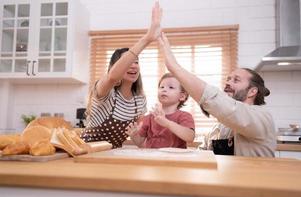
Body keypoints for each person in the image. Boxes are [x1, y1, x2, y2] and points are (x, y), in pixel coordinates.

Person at [158, 33, 276, 157]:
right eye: (228, 79)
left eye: (236, 80)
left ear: (252, 91)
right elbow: (202, 153)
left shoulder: (261, 117)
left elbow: (224, 106)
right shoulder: (220, 128)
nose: (228, 83)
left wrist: (174, 67)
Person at [81, 2, 162, 148]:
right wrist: (147, 38)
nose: (133, 65)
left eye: (136, 62)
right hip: (87, 152)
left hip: (113, 153)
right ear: (115, 66)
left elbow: (138, 135)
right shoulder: (105, 93)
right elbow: (113, 76)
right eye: (127, 61)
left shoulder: (139, 100)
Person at [125, 73, 195, 148]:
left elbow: (190, 137)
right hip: (153, 158)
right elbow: (141, 144)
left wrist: (167, 123)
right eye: (161, 87)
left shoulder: (184, 116)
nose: (164, 90)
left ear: (182, 96)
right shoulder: (149, 118)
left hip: (175, 159)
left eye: (171, 87)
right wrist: (134, 136)